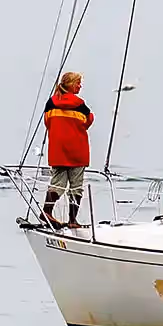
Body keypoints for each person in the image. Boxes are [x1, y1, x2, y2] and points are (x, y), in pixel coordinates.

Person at [42, 71, 95, 228]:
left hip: (57, 150)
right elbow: (89, 119)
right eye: (78, 83)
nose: (80, 85)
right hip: (77, 150)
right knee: (76, 186)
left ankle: (46, 212)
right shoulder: (79, 104)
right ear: (71, 85)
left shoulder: (51, 103)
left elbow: (47, 122)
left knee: (57, 183)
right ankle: (72, 221)